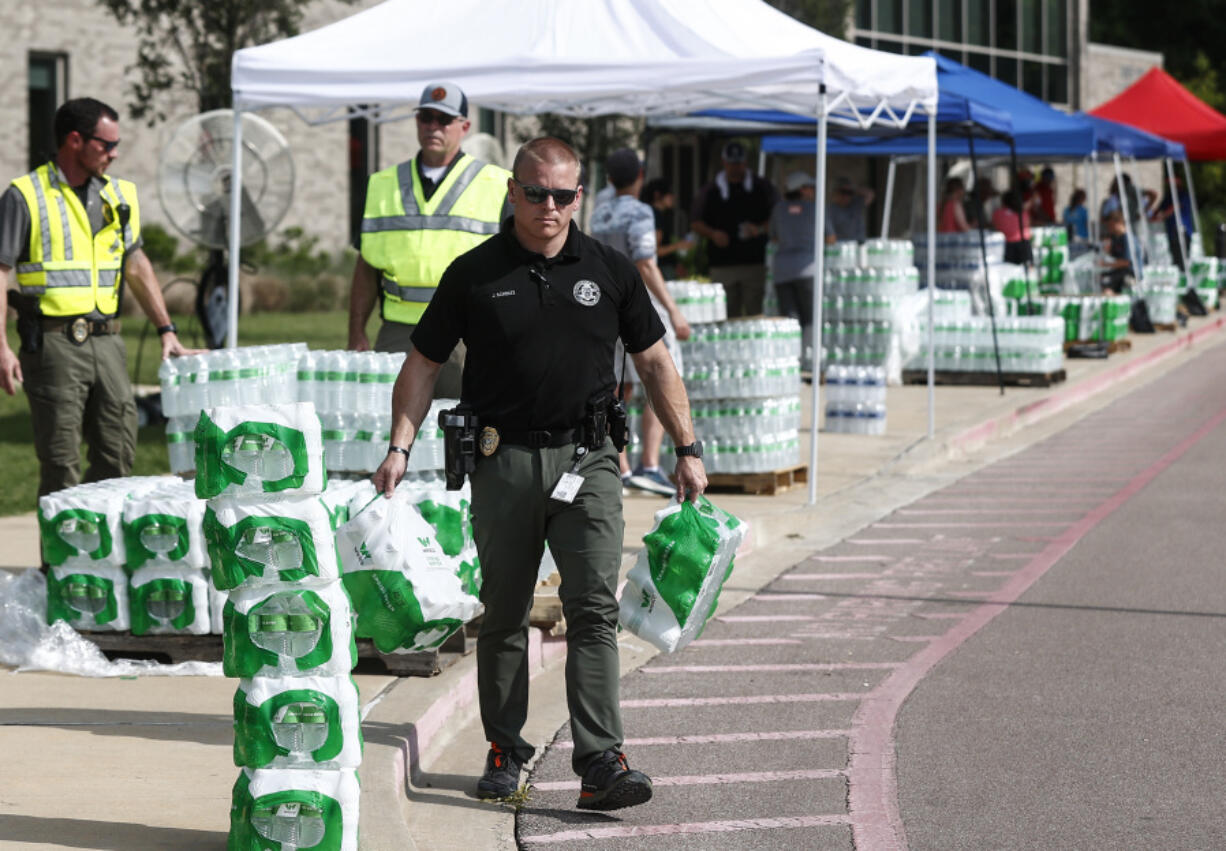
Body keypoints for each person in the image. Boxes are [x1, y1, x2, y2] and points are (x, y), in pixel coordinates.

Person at [372, 137, 707, 810]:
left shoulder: (611, 270)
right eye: (535, 193)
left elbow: (654, 362)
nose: (548, 207)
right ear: (512, 192)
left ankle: (601, 761)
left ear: (578, 196)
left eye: (562, 195)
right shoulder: (473, 273)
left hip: (590, 463)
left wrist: (687, 446)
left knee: (592, 609)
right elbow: (421, 365)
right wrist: (399, 447)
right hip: (503, 462)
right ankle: (504, 748)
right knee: (504, 614)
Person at [0, 97, 193, 498]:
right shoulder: (25, 195)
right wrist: (2, 346)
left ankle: (97, 551)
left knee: (117, 452)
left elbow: (136, 264)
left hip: (108, 342)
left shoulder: (119, 196)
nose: (115, 153)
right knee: (61, 463)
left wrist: (166, 329)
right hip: (53, 345)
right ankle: (60, 562)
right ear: (74, 140)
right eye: (106, 145)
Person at [348, 81, 510, 397]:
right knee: (392, 427)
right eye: (426, 117)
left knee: (464, 430)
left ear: (464, 126)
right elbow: (366, 266)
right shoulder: (381, 185)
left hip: (467, 333)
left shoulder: (498, 184)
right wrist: (356, 332)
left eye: (444, 119)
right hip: (399, 333)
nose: (433, 126)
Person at [590, 149, 692, 497]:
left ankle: (621, 467)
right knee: (660, 375)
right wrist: (674, 309)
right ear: (640, 177)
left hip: (606, 305)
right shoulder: (641, 212)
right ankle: (649, 463)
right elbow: (646, 263)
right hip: (639, 305)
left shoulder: (598, 213)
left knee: (616, 386)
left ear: (609, 179)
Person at [690, 140, 776, 317]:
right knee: (725, 316)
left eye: (739, 163)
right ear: (724, 162)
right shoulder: (711, 189)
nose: (735, 167)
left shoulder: (762, 187)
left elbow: (778, 217)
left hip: (754, 264)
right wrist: (713, 234)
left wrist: (758, 229)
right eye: (731, 163)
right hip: (722, 265)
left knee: (755, 315)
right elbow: (695, 221)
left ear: (745, 163)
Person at [769, 171, 818, 369]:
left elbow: (773, 237)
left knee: (789, 318)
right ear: (802, 190)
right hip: (808, 270)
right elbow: (830, 237)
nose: (812, 191)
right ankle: (808, 361)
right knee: (810, 318)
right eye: (809, 187)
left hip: (782, 270)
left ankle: (791, 361)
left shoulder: (778, 209)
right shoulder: (814, 209)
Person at [640, 177, 693, 279]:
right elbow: (655, 250)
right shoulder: (655, 215)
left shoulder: (658, 214)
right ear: (657, 195)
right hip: (659, 270)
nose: (673, 197)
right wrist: (678, 245)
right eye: (669, 193)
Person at [826, 175, 875, 243]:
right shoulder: (829, 210)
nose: (846, 196)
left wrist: (854, 189)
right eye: (843, 192)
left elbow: (870, 195)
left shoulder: (856, 204)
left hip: (860, 246)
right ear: (835, 192)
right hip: (842, 248)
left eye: (849, 193)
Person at [992, 190, 1033, 265]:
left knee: (1010, 271)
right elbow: (1028, 224)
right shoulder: (1023, 213)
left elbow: (995, 226)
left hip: (1007, 246)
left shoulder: (998, 213)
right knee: (1027, 271)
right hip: (1024, 244)